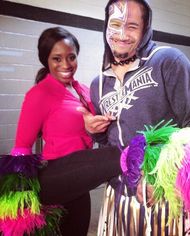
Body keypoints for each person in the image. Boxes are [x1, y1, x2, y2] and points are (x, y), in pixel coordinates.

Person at [80, 0, 190, 235]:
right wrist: (95, 130)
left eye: (131, 26)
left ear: (145, 28)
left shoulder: (168, 61)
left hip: (164, 196)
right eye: (115, 24)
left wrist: (163, 176)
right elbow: (109, 142)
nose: (121, 34)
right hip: (119, 197)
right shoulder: (98, 83)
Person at [8, 27, 122, 236]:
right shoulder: (39, 94)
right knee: (121, 156)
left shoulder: (84, 91)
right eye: (57, 59)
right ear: (46, 61)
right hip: (56, 177)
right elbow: (22, 146)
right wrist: (21, 197)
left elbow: (95, 135)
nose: (66, 65)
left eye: (71, 57)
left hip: (81, 179)